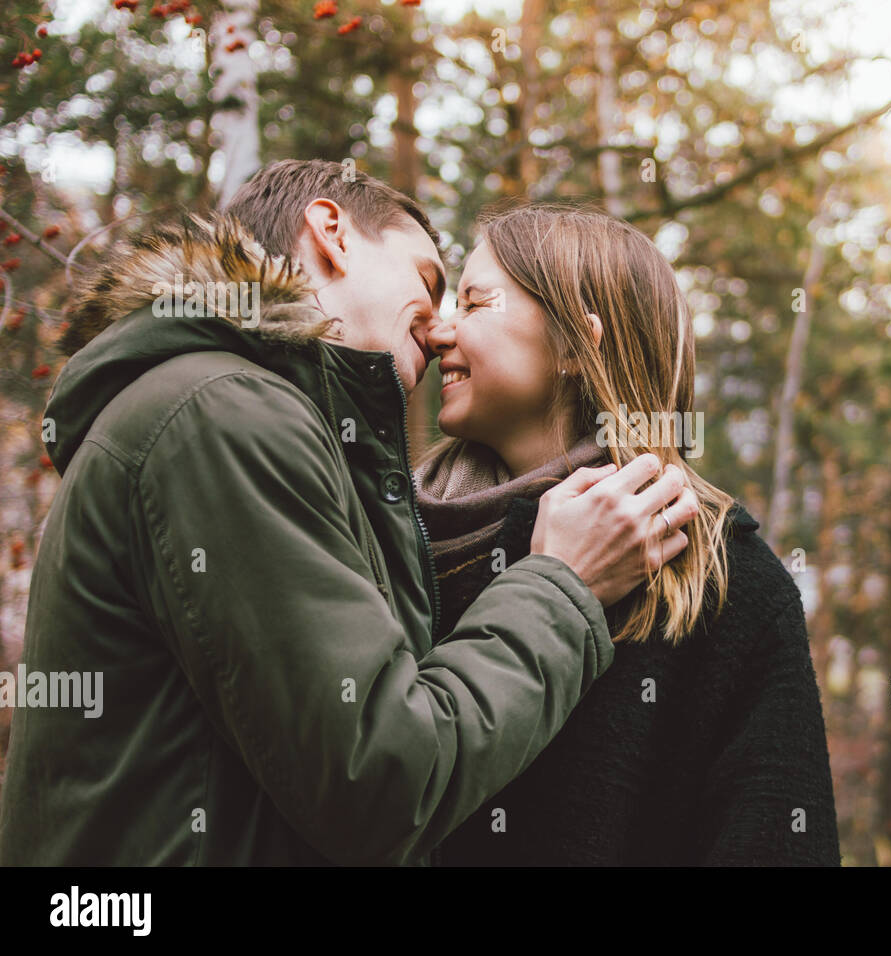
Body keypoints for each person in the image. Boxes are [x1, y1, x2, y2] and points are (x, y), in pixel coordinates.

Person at [0, 160, 697, 865]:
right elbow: (382, 779)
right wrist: (558, 584)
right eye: (429, 282)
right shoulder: (224, 413)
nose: (439, 329)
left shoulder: (227, 411)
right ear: (331, 232)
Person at [415, 202, 841, 865]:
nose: (440, 331)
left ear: (574, 346)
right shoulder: (391, 536)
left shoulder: (722, 580)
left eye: (474, 304)